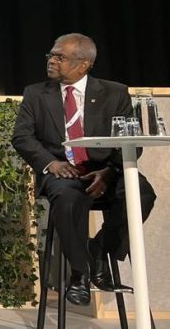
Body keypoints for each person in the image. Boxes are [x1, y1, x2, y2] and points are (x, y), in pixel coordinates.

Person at [12, 32, 156, 306]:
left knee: (142, 192)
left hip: (104, 170)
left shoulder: (114, 93)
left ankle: (100, 249)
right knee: (67, 198)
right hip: (62, 172)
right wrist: (51, 164)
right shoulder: (36, 93)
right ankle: (80, 272)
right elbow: (22, 137)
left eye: (59, 57)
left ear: (83, 64)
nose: (51, 61)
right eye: (51, 55)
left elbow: (131, 142)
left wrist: (110, 172)